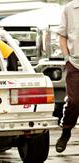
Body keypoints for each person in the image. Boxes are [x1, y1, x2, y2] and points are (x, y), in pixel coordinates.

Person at [55, 0, 79, 153]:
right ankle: (66, 131)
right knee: (75, 101)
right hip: (75, 63)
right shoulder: (70, 8)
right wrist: (66, 58)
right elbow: (62, 35)